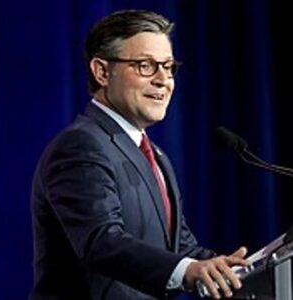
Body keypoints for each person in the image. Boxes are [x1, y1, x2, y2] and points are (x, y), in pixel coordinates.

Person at [29, 9, 248, 300]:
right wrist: (189, 270)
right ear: (102, 72)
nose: (163, 80)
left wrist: (229, 268)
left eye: (169, 67)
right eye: (146, 65)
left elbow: (179, 248)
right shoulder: (80, 145)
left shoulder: (154, 155)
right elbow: (100, 241)